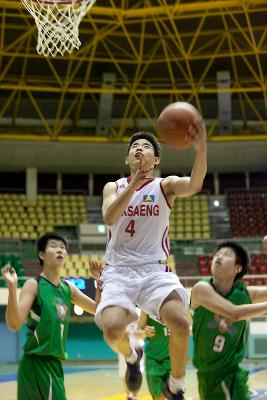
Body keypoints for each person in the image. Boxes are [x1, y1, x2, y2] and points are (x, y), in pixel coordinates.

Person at [94, 120, 207, 400]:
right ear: (128, 158)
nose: (140, 149)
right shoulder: (114, 187)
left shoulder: (164, 185)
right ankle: (132, 356)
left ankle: (176, 386)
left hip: (154, 271)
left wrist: (201, 151)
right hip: (119, 271)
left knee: (181, 323)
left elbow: (194, 184)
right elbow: (109, 218)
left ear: (156, 159)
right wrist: (134, 183)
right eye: (135, 147)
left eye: (146, 147)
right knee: (111, 331)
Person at [1, 232, 96, 400]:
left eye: (63, 247)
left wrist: (100, 284)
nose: (60, 250)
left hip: (53, 364)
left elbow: (97, 309)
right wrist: (12, 287)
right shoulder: (34, 285)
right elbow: (14, 324)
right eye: (53, 246)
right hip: (35, 362)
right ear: (41, 255)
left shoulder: (68, 288)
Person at [191, 240, 267, 400]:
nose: (218, 257)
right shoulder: (201, 289)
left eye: (226, 255)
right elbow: (234, 313)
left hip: (233, 372)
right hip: (211, 376)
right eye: (217, 254)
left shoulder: (244, 294)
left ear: (237, 268)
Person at [138, 310, 170, 400]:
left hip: (174, 358)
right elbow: (138, 332)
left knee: (175, 395)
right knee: (158, 397)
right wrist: (144, 332)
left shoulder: (177, 300)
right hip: (153, 359)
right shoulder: (146, 305)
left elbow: (189, 325)